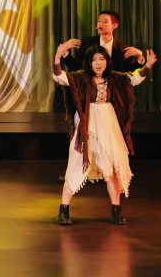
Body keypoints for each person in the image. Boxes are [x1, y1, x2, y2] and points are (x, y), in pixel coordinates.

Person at [52, 43, 155, 225]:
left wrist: (147, 65)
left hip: (108, 123)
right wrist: (58, 57)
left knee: (112, 166)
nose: (98, 63)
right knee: (77, 163)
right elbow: (60, 77)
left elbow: (135, 79)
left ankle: (116, 210)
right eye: (94, 60)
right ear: (89, 63)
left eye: (101, 59)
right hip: (87, 122)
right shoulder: (81, 78)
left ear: (107, 62)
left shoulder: (115, 78)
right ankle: (64, 209)